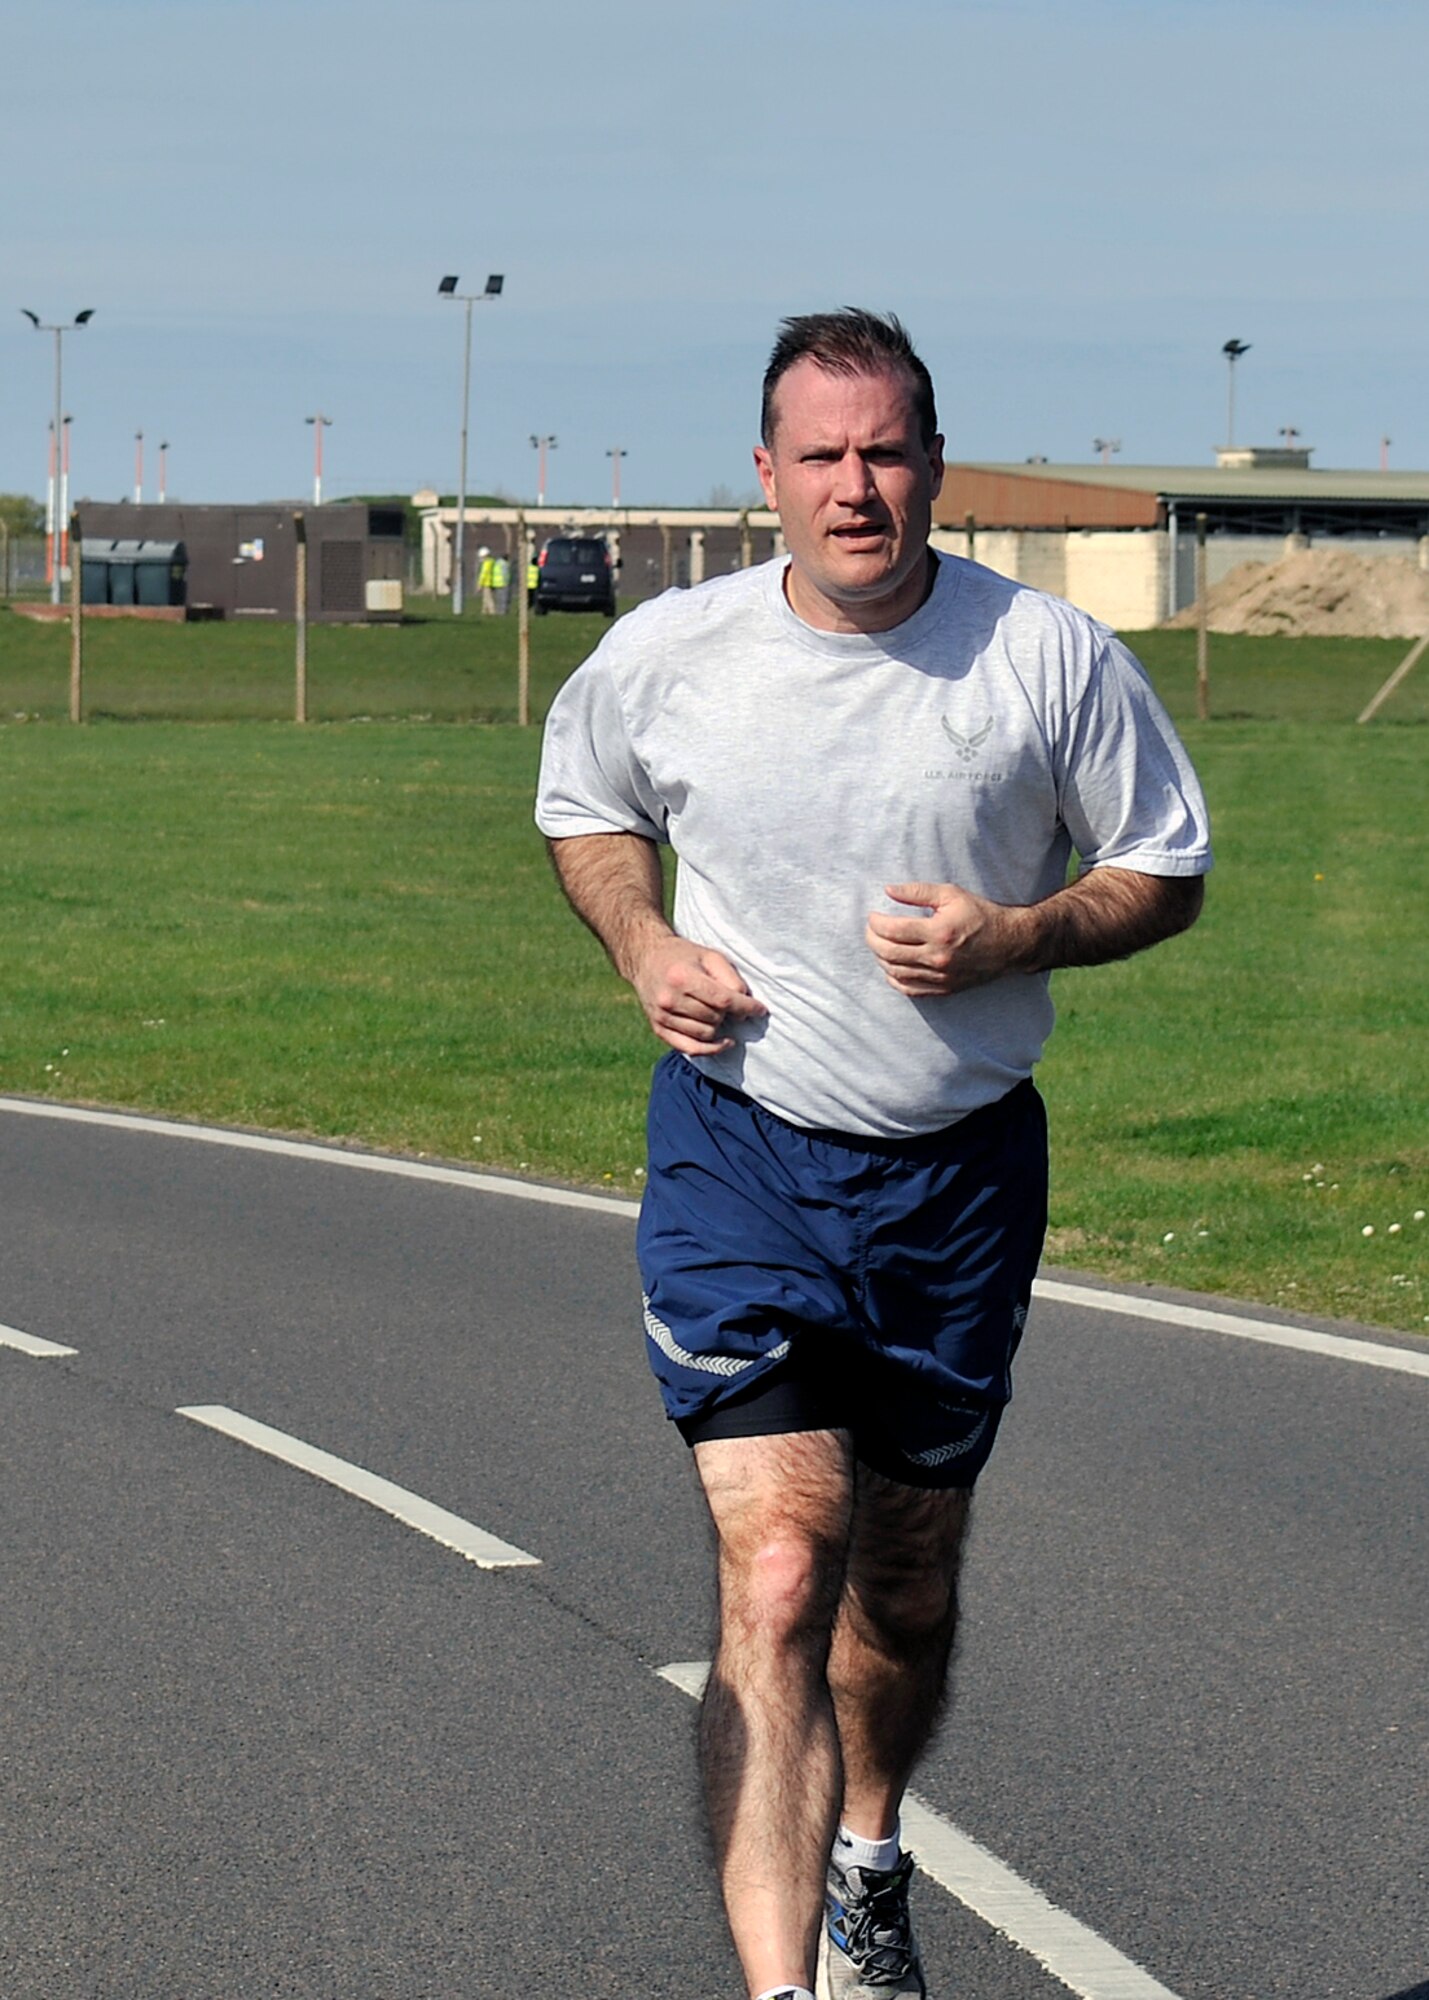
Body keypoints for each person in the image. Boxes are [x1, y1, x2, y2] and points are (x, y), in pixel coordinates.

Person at [535, 309, 1211, 2000]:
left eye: (886, 452)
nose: (855, 488)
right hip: (739, 1152)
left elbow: (1164, 864)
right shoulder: (669, 653)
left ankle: (868, 1861)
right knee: (776, 1566)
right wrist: (639, 948)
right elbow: (585, 809)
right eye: (819, 457)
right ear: (763, 475)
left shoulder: (1043, 661)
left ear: (931, 465)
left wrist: (1021, 935)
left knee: (896, 1587)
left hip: (956, 1177)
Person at [477, 545, 498, 614]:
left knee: (488, 598)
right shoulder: (492, 562)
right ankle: (484, 611)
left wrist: (480, 584)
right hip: (491, 582)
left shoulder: (486, 563)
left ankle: (492, 611)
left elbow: (483, 574)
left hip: (487, 583)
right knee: (485, 598)